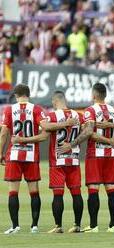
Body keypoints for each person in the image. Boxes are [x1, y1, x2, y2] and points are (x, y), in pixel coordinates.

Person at [58, 83, 114, 233]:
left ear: (94, 95)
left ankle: (93, 225)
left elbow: (88, 132)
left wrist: (72, 144)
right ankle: (112, 225)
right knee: (111, 189)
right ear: (105, 95)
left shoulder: (90, 110)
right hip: (110, 155)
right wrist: (111, 139)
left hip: (95, 154)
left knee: (93, 190)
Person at [12, 91, 86, 233]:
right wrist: (73, 143)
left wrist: (21, 140)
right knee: (76, 193)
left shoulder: (52, 116)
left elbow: (45, 132)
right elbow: (86, 131)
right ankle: (77, 225)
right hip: (74, 160)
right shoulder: (78, 115)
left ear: (54, 101)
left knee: (58, 194)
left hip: (57, 161)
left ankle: (58, 226)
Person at [0, 84, 47, 234]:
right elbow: (45, 130)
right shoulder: (36, 109)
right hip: (31, 154)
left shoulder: (9, 109)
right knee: (34, 191)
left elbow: (3, 134)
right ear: (28, 94)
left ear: (15, 95)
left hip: (14, 155)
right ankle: (34, 226)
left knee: (13, 192)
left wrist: (0, 153)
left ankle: (15, 226)